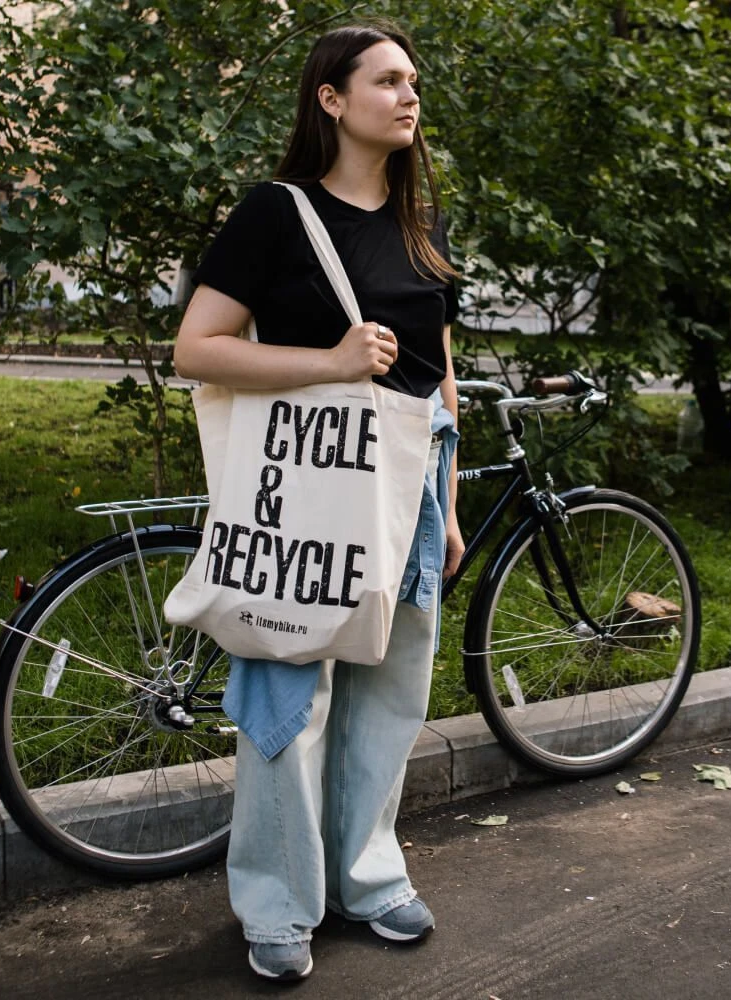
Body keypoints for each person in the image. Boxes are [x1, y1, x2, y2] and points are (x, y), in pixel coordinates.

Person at [173, 21, 463, 982]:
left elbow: (440, 375)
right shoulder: (278, 213)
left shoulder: (423, 224)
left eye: (413, 81)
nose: (409, 96)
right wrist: (331, 363)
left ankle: (368, 879)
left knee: (390, 694)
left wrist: (448, 504)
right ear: (331, 100)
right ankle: (277, 902)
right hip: (303, 489)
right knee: (288, 698)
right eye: (388, 80)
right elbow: (197, 348)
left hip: (409, 488)